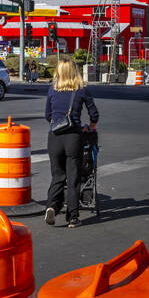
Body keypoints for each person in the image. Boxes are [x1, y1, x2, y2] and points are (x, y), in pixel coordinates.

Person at [44, 59, 99, 229]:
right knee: (73, 178)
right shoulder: (81, 90)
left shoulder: (52, 89)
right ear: (75, 71)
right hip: (73, 137)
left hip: (54, 137)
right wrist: (89, 127)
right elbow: (94, 114)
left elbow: (48, 115)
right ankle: (73, 218)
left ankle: (51, 206)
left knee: (57, 175)